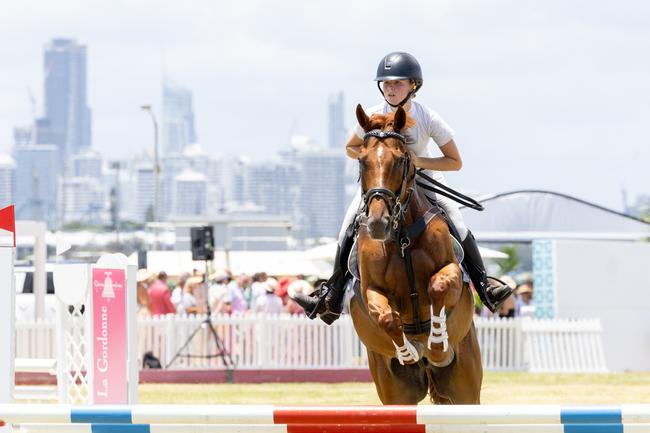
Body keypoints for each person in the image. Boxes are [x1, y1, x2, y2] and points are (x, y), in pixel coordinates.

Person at [294, 51, 513, 324]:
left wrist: (415, 161)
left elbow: (455, 162)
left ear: (413, 86)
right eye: (386, 84)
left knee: (457, 221)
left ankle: (485, 285)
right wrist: (374, 158)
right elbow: (350, 147)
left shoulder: (428, 117)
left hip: (425, 178)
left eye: (398, 83)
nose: (391, 89)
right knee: (347, 227)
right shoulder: (373, 115)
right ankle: (331, 295)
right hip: (384, 184)